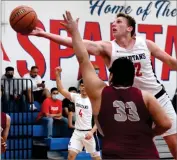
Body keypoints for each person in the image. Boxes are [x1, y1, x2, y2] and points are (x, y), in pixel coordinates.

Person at [29, 13, 177, 158]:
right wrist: (45, 34)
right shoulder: (107, 47)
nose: (114, 24)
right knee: (131, 145)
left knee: (174, 145)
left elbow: (170, 62)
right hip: (129, 101)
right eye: (113, 22)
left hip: (157, 97)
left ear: (129, 28)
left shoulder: (145, 43)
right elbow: (77, 45)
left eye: (119, 22)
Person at [55, 69, 101, 160]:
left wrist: (92, 132)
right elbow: (60, 90)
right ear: (80, 87)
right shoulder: (75, 97)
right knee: (71, 155)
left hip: (89, 132)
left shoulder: (93, 100)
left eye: (86, 86)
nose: (84, 88)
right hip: (77, 132)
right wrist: (57, 74)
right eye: (82, 86)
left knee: (96, 158)